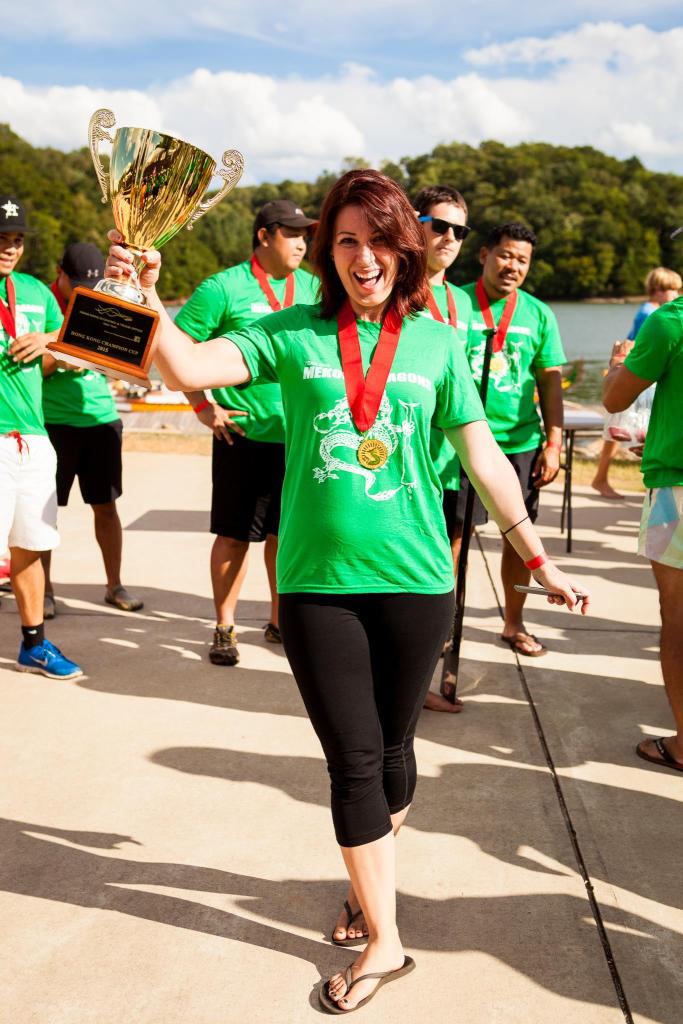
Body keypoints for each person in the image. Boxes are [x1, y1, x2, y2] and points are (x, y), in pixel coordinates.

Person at [103, 169, 588, 1013]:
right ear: (329, 252)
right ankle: (385, 943)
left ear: (405, 250)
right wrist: (145, 294)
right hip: (317, 586)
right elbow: (185, 364)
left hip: (417, 580)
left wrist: (535, 556)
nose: (364, 258)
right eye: (346, 242)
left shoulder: (437, 343)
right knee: (354, 762)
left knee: (393, 753)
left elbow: (480, 455)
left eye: (379, 242)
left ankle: (369, 883)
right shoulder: (288, 332)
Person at [175, 200, 317, 666]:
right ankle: (224, 626)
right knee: (235, 537)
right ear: (264, 236)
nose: (302, 243)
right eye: (292, 233)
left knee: (285, 537)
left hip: (301, 439)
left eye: (305, 234)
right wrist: (203, 406)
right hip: (242, 436)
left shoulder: (315, 288)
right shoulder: (223, 287)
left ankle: (279, 622)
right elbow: (178, 347)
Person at [455, 222, 566, 657]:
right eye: (505, 255)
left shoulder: (539, 314)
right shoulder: (455, 302)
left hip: (519, 443)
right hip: (461, 442)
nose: (512, 266)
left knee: (518, 538)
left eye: (522, 260)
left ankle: (514, 622)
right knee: (454, 538)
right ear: (484, 254)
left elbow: (550, 382)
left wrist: (553, 443)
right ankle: (445, 625)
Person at [0, 195, 82, 679]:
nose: (9, 248)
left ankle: (34, 645)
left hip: (32, 437)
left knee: (30, 546)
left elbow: (70, 348)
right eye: (1, 239)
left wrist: (50, 340)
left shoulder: (35, 291)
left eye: (16, 240)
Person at [603, 292, 683, 775]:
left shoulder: (670, 321)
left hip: (676, 488)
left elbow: (615, 399)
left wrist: (617, 365)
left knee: (678, 619)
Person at [41, 242, 143, 617]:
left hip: (101, 420)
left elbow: (123, 361)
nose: (85, 292)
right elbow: (32, 365)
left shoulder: (103, 298)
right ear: (60, 274)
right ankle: (44, 590)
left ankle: (114, 585)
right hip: (53, 422)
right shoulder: (43, 303)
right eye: (78, 285)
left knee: (106, 506)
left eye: (92, 285)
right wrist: (63, 354)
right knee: (44, 512)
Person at [414, 184, 473, 713]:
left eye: (460, 229)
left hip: (453, 461)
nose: (450, 237)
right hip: (407, 462)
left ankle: (425, 676)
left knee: (446, 568)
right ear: (415, 225)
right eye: (440, 225)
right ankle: (408, 683)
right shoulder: (393, 292)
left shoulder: (466, 302)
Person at [592, 266, 682, 499]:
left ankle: (601, 477)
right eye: (670, 289)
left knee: (621, 430)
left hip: (638, 368)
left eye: (677, 289)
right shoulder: (653, 313)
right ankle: (601, 477)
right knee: (619, 429)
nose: (675, 294)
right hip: (637, 370)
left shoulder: (661, 313)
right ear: (657, 289)